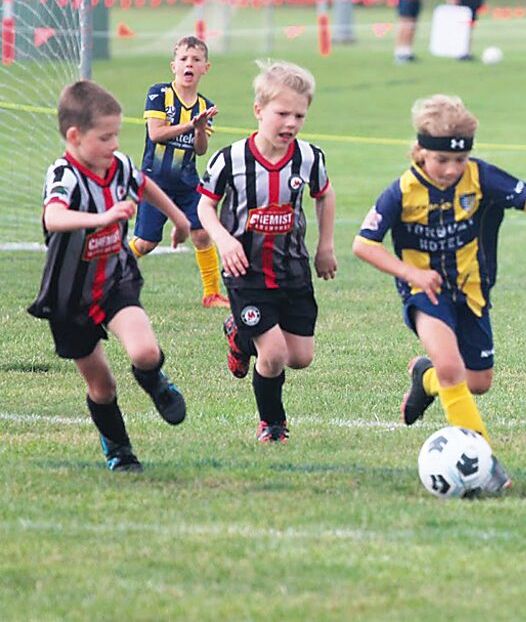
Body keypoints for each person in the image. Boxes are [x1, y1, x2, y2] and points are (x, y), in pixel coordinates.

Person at [353, 94, 526, 490]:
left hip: (472, 293)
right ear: (420, 152)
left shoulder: (480, 177)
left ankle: (426, 378)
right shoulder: (401, 191)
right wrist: (411, 272)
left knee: (478, 381)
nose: (452, 169)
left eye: (460, 159)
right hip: (425, 294)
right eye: (441, 160)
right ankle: (485, 465)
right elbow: (363, 245)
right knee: (452, 368)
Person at [27, 80, 190, 472]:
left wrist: (179, 218)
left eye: (116, 134)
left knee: (145, 352)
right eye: (105, 137)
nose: (114, 144)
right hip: (69, 296)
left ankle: (154, 381)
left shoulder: (118, 166)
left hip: (115, 278)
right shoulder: (65, 174)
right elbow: (54, 216)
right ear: (75, 137)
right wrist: (102, 217)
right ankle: (119, 450)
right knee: (103, 386)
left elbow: (144, 184)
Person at [197, 60, 337, 444]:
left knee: (300, 357)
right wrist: (224, 240)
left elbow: (324, 196)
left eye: (299, 116)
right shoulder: (230, 159)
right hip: (246, 271)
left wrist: (325, 246)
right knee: (273, 355)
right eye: (282, 114)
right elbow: (205, 206)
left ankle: (239, 334)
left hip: (292, 268)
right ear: (258, 110)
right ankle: (272, 425)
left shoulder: (309, 157)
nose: (290, 123)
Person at [128, 36, 227, 307]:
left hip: (187, 182)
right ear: (174, 66)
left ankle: (211, 294)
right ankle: (106, 272)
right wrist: (189, 125)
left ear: (206, 68)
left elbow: (201, 150)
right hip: (155, 183)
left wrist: (200, 130)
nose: (189, 64)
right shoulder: (159, 94)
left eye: (196, 60)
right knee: (146, 242)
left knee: (202, 233)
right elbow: (156, 133)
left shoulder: (205, 106)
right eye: (183, 59)